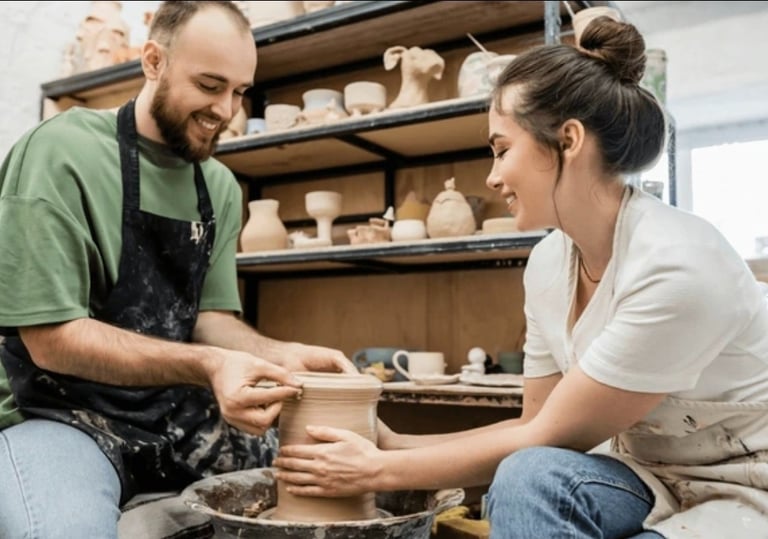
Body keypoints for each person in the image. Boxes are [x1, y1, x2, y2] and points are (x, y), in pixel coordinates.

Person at [272, 16, 768, 539]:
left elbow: (549, 431)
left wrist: (376, 471)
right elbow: (535, 434)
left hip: (749, 485)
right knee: (527, 476)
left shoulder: (678, 263)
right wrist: (391, 445)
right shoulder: (550, 263)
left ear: (568, 140)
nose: (491, 176)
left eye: (501, 149)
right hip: (649, 477)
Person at [0, 2, 354, 537]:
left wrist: (279, 355)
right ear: (152, 62)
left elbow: (211, 319)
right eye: (210, 85)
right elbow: (52, 340)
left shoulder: (220, 187)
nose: (225, 109)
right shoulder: (62, 152)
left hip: (170, 409)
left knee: (313, 494)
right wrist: (211, 366)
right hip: (55, 411)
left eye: (240, 91)